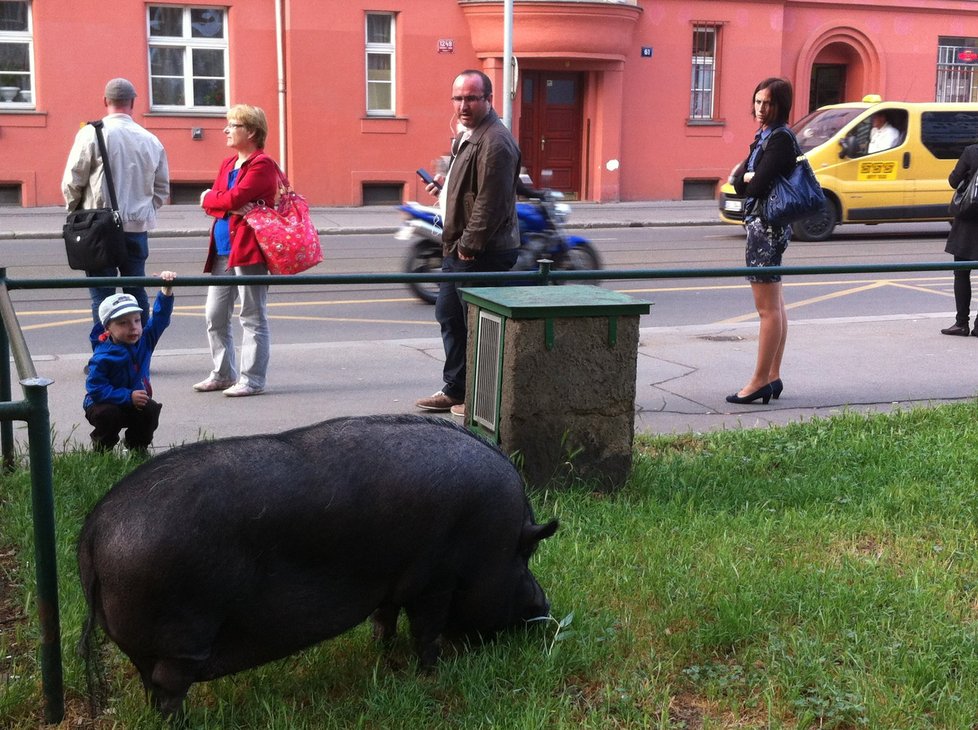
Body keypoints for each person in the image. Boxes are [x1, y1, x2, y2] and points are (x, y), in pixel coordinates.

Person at [415, 70, 521, 416]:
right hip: (458, 244)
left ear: (488, 99)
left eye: (471, 98)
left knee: (477, 324)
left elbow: (490, 202)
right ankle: (456, 388)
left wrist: (468, 247)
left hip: (482, 250)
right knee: (450, 314)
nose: (463, 105)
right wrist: (446, 187)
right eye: (458, 98)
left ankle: (477, 397)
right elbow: (470, 186)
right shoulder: (468, 134)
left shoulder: (495, 141)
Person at [62, 78, 170, 351]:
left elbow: (73, 180)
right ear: (133, 103)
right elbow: (162, 188)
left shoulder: (92, 133)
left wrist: (76, 212)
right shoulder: (150, 139)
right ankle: (139, 350)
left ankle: (105, 352)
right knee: (136, 288)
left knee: (102, 292)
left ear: (105, 101)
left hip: (98, 226)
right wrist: (143, 211)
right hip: (136, 228)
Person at [195, 104, 278, 397]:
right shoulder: (227, 164)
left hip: (248, 249)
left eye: (233, 125)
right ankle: (222, 373)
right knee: (214, 315)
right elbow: (221, 202)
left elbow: (232, 197)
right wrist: (220, 201)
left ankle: (252, 380)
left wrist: (216, 199)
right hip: (221, 249)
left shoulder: (262, 164)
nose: (226, 130)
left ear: (251, 131)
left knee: (252, 316)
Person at [728, 77, 797, 405]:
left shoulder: (779, 139)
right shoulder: (766, 137)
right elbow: (739, 179)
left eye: (767, 103)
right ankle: (772, 375)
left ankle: (758, 382)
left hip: (765, 228)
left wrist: (746, 179)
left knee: (767, 309)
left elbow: (750, 186)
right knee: (776, 305)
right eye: (757, 102)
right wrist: (746, 179)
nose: (760, 109)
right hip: (769, 226)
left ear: (781, 105)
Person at [84, 272, 176, 454]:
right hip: (103, 402)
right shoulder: (102, 356)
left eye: (136, 320)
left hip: (134, 400)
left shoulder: (145, 341)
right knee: (108, 416)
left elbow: (160, 319)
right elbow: (95, 389)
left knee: (150, 410)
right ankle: (102, 451)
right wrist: (127, 396)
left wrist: (166, 290)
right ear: (108, 328)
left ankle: (137, 448)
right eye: (123, 323)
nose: (133, 327)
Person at [940, 143, 978, 337]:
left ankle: (961, 323)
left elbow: (954, 181)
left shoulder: (971, 152)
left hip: (968, 224)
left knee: (962, 273)